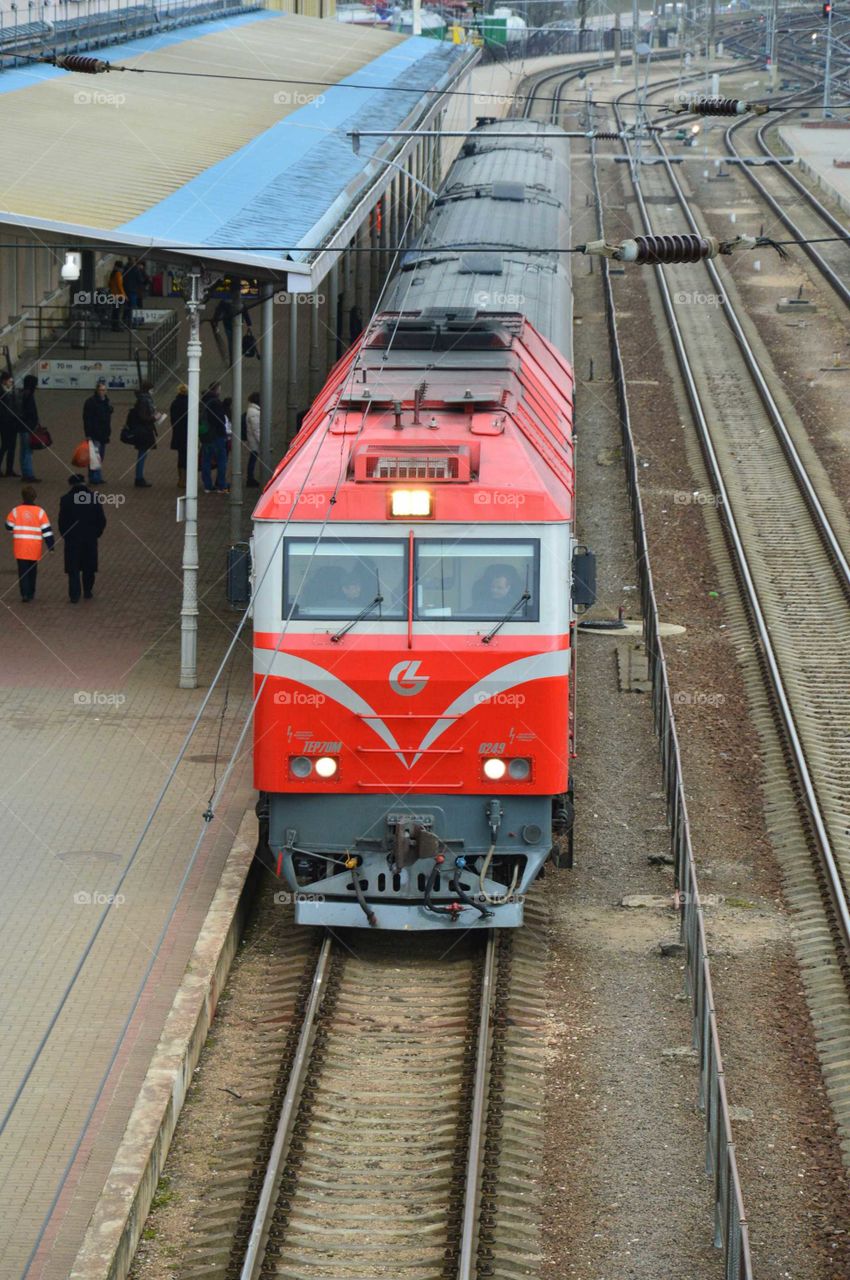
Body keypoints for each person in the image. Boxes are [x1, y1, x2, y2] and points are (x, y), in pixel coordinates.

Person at [58, 474, 106, 603]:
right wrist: (96, 533)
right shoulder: (94, 498)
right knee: (88, 566)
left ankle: (74, 594)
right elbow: (101, 520)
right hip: (90, 538)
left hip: (72, 539)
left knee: (73, 568)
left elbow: (62, 522)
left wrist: (66, 535)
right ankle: (88, 590)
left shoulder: (66, 500)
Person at [5, 483, 54, 601]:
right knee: (32, 570)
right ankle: (31, 592)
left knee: (22, 572)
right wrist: (51, 546)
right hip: (34, 547)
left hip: (20, 546)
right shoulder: (40, 512)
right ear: (34, 497)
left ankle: (24, 594)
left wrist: (14, 530)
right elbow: (47, 531)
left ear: (23, 496)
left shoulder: (16, 511)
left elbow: (8, 525)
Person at [127, 383, 158, 487]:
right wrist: (154, 418)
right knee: (142, 455)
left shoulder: (142, 400)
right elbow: (143, 417)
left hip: (143, 430)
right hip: (143, 431)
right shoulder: (144, 401)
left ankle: (139, 477)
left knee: (142, 454)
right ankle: (139, 478)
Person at [200, 380, 229, 493]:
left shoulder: (203, 401)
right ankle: (221, 485)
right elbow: (220, 420)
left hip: (205, 435)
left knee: (206, 460)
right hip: (217, 435)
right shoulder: (216, 402)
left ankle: (207, 485)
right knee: (222, 460)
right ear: (217, 389)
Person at [82, 378, 113, 484]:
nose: (103, 392)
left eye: (104, 390)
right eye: (101, 390)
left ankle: (97, 476)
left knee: (100, 455)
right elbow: (87, 419)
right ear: (97, 390)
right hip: (95, 433)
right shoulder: (91, 402)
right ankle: (94, 477)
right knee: (95, 455)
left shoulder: (106, 402)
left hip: (104, 432)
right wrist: (88, 434)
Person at [18, 375, 41, 482]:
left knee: (24, 451)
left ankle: (25, 473)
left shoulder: (23, 393)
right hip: (27, 426)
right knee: (27, 451)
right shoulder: (28, 395)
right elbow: (30, 412)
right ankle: (29, 474)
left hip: (23, 426)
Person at [169, 383, 189, 489]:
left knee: (181, 456)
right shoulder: (189, 403)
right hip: (188, 433)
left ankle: (181, 479)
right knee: (187, 457)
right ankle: (185, 479)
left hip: (178, 433)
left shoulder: (175, 403)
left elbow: (173, 419)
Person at [0, 370, 19, 477]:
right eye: (8, 380)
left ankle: (9, 469)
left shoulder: (10, 389)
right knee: (5, 445)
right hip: (4, 421)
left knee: (12, 446)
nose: (10, 381)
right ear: (4, 380)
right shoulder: (2, 391)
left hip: (12, 420)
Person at [245, 392, 261, 487]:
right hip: (254, 441)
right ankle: (250, 479)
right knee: (253, 459)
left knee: (253, 459)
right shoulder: (254, 413)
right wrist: (262, 441)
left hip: (253, 439)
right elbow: (256, 429)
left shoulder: (252, 411)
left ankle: (250, 478)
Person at [108, 259, 126, 331]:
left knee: (114, 311)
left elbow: (109, 284)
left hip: (113, 295)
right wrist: (124, 295)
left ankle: (114, 326)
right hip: (118, 296)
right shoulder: (118, 274)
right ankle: (116, 327)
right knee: (118, 312)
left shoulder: (112, 273)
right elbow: (120, 286)